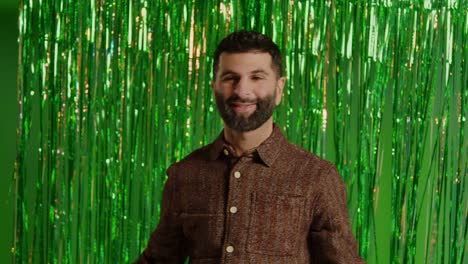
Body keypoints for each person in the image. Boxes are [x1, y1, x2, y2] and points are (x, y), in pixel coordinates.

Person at [136, 30, 365, 264]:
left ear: (279, 89)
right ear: (214, 87)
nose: (242, 91)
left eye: (256, 77)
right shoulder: (184, 175)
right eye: (230, 78)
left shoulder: (317, 177)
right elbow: (158, 260)